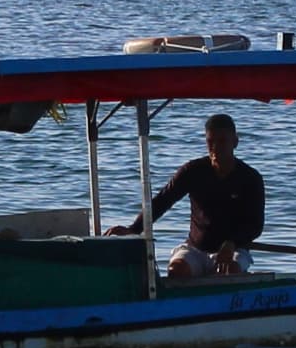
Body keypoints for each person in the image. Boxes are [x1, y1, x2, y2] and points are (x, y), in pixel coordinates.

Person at [109, 112, 265, 278]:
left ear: (235, 142)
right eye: (210, 142)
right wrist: (134, 229)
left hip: (234, 249)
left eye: (222, 141)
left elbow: (255, 225)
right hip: (196, 249)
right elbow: (163, 200)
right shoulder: (193, 170)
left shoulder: (251, 178)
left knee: (230, 271)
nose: (215, 148)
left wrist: (232, 243)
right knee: (176, 270)